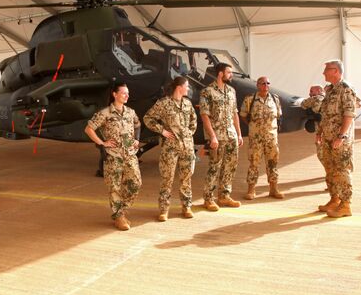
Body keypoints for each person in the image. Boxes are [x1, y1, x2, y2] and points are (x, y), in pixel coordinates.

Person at [85, 82, 141, 231]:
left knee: (136, 183)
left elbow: (137, 125)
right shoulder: (105, 113)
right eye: (123, 93)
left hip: (130, 155)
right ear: (114, 95)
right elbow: (89, 129)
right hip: (113, 156)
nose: (126, 95)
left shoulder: (130, 112)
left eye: (127, 93)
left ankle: (122, 209)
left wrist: (136, 139)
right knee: (114, 188)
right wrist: (102, 143)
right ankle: (119, 216)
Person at [143, 76, 198, 221]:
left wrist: (189, 133)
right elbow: (148, 118)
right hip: (170, 148)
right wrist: (162, 131)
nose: (188, 89)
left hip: (187, 146)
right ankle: (163, 209)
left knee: (186, 178)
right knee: (167, 178)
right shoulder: (164, 103)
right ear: (179, 87)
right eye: (187, 86)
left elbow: (194, 120)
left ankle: (186, 206)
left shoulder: (187, 103)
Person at [199, 63, 243, 211]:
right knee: (214, 167)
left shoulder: (231, 91)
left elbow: (235, 113)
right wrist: (212, 137)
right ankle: (208, 199)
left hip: (231, 135)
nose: (231, 75)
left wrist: (239, 134)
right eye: (229, 72)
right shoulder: (208, 92)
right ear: (220, 74)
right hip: (217, 136)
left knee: (230, 167)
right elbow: (205, 116)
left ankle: (224, 196)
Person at [316, 60, 357, 218]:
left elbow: (349, 114)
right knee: (330, 169)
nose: (324, 72)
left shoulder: (345, 89)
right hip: (327, 137)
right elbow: (325, 114)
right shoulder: (330, 90)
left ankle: (346, 205)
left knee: (341, 170)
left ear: (336, 71)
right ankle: (334, 199)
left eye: (327, 69)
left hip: (340, 139)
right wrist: (320, 131)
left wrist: (341, 136)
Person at [240, 76, 284, 200]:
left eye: (267, 83)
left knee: (273, 163)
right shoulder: (250, 99)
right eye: (263, 83)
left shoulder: (275, 99)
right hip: (256, 138)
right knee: (254, 163)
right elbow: (243, 115)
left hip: (271, 137)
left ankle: (273, 189)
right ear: (258, 85)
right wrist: (252, 126)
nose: (266, 85)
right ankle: (251, 190)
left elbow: (279, 115)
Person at [300, 85, 327, 190]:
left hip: (322, 133)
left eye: (312, 91)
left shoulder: (315, 98)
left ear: (319, 91)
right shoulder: (329, 98)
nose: (310, 93)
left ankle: (332, 178)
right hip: (332, 132)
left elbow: (303, 104)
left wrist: (310, 109)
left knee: (323, 156)